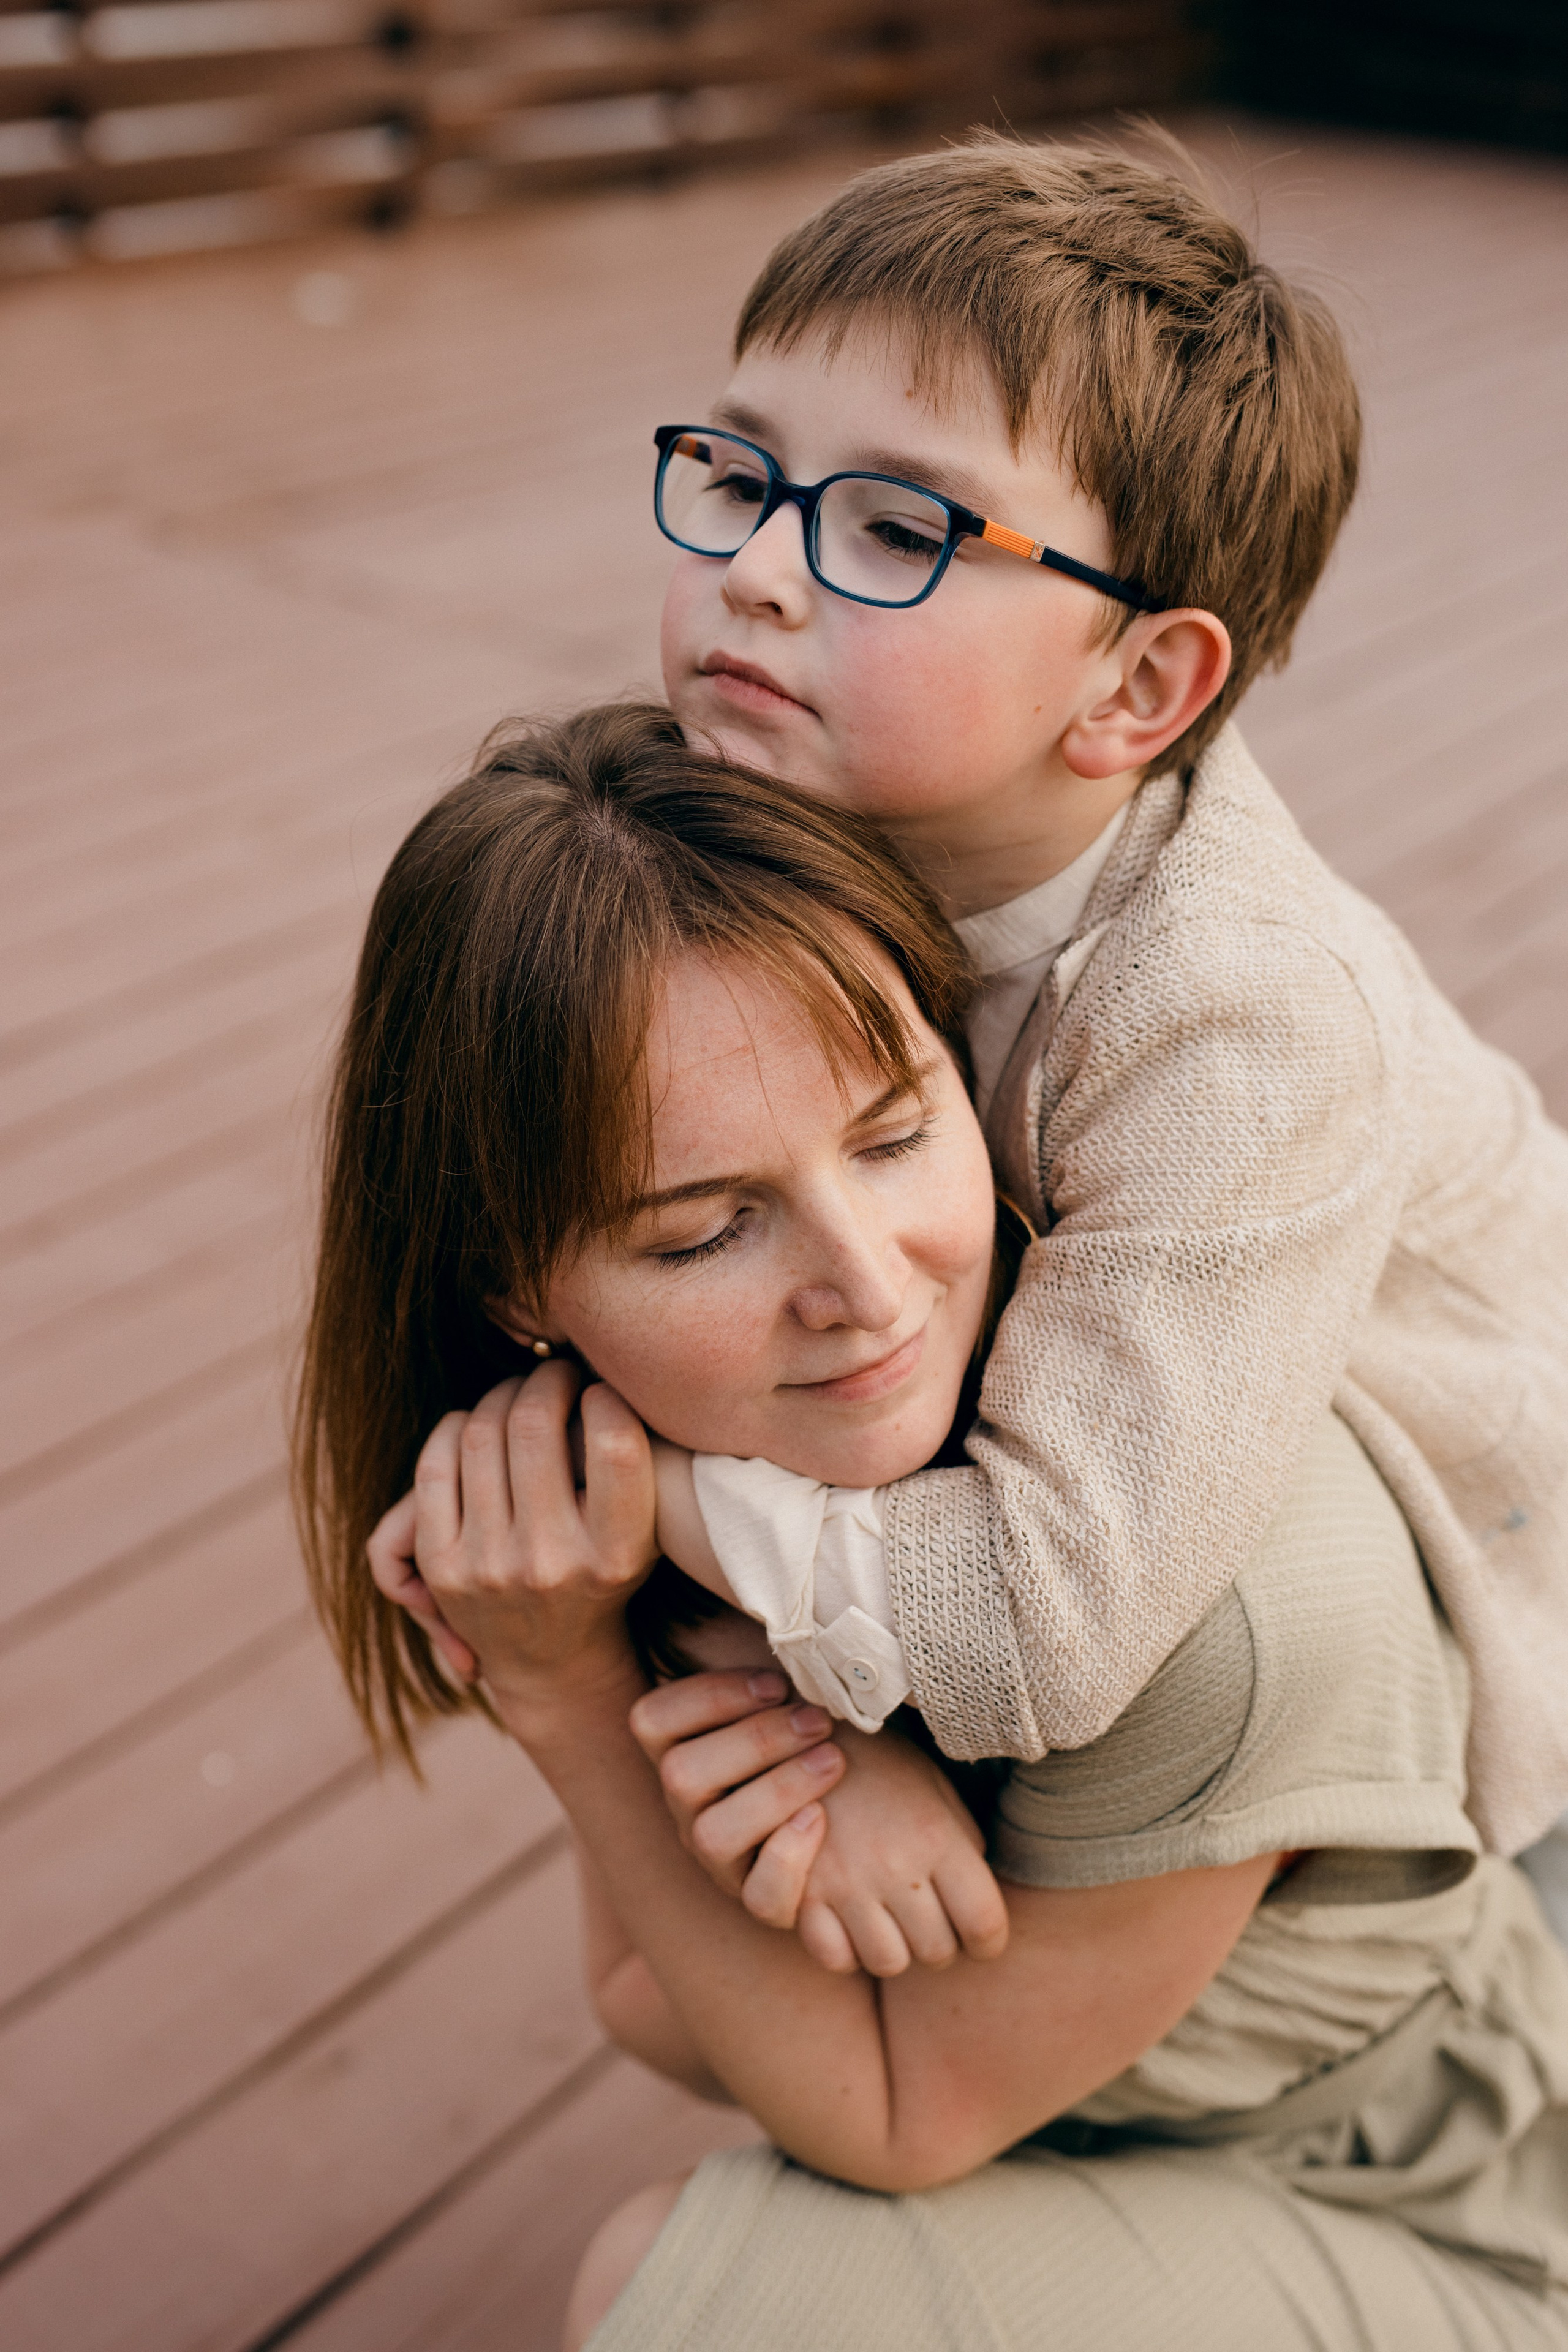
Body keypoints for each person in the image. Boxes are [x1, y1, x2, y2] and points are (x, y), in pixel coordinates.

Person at [302, 709, 1568, 2348]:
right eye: (705, 1234)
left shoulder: (1206, 1590)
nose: (869, 1282)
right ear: (519, 1295)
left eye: (898, 1135)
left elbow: (895, 2110)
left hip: (1433, 2218)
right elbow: (658, 2008)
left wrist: (569, 1693)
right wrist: (706, 1675)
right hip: (1129, 2160)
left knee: (698, 2297)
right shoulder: (732, 1508)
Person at [641, 130, 1568, 1863]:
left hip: (1499, 1648)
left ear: (1138, 684)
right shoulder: (750, 824)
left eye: (894, 527)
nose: (762, 568)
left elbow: (1037, 1631)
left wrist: (641, 1501)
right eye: (740, 475)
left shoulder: (1237, 1024)